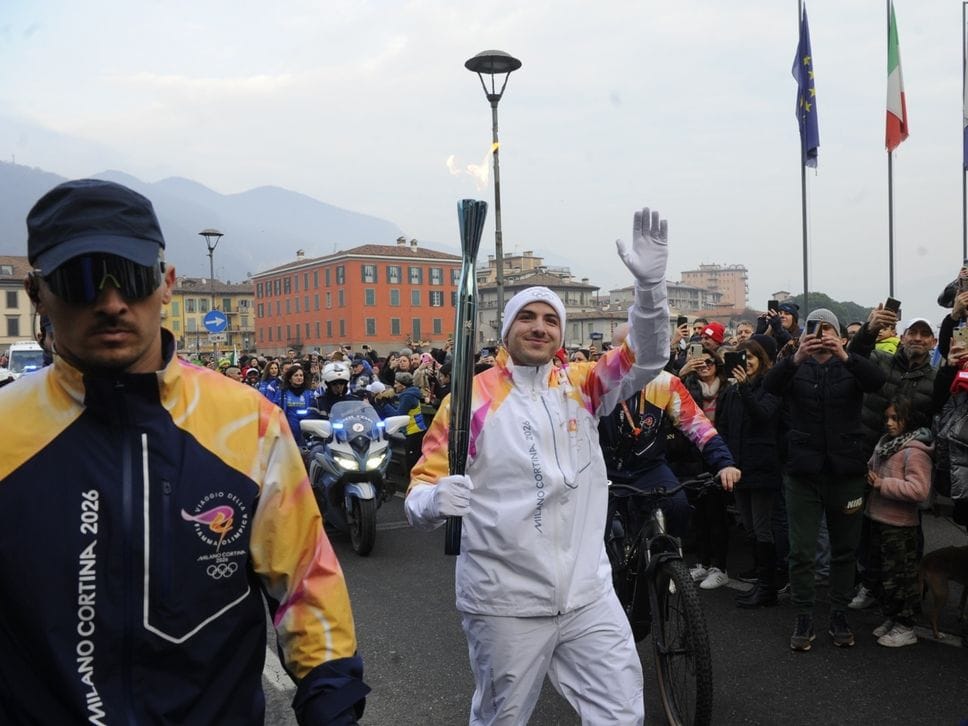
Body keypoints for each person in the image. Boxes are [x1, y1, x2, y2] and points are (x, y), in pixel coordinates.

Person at [0, 179, 367, 724]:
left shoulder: (249, 423)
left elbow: (304, 579)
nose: (111, 302)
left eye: (131, 276)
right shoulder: (7, 430)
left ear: (166, 283)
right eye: (80, 281)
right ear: (38, 294)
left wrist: (332, 700)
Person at [405, 206, 670, 725]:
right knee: (501, 719)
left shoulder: (584, 385)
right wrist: (435, 499)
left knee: (621, 714)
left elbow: (648, 357)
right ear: (507, 329)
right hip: (505, 601)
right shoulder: (471, 400)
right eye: (527, 316)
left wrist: (650, 291)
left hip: (587, 594)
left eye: (551, 319)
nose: (539, 327)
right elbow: (419, 493)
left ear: (561, 334)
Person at [763, 308, 886, 651]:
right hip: (802, 473)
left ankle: (839, 613)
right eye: (814, 331)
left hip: (845, 472)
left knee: (844, 550)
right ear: (804, 336)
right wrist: (796, 357)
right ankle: (804, 614)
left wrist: (845, 354)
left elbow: (876, 382)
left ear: (840, 336)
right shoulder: (795, 365)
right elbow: (769, 386)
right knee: (801, 551)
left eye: (828, 330)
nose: (820, 336)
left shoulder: (850, 364)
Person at [715, 339, 783, 607]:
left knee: (763, 527)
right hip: (738, 467)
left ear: (761, 358)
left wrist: (744, 389)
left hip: (763, 467)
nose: (747, 361)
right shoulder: (731, 391)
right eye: (742, 356)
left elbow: (763, 416)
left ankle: (768, 587)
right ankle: (762, 583)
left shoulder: (770, 386)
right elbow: (723, 426)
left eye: (752, 356)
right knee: (750, 526)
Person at [861, 397, 933, 647]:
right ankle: (892, 618)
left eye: (896, 418)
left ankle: (906, 625)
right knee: (883, 575)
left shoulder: (915, 452)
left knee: (901, 577)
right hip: (877, 518)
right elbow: (871, 467)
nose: (890, 423)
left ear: (908, 420)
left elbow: (920, 491)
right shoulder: (884, 445)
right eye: (887, 418)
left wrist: (883, 484)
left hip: (900, 526)